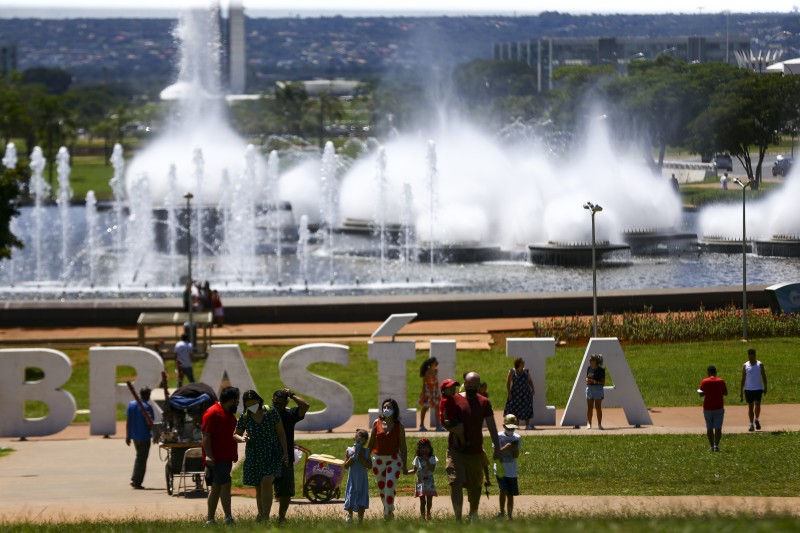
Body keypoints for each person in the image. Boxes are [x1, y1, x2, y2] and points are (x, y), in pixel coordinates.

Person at [445, 371, 501, 522]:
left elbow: (492, 426)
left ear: (479, 386)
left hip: (475, 451)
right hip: (456, 450)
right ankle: (458, 520)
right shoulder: (454, 400)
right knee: (456, 482)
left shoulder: (484, 402)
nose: (472, 388)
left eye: (475, 386)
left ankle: (473, 514)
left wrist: (497, 447)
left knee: (475, 486)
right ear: (465, 384)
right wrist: (453, 429)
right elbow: (445, 421)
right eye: (469, 385)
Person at [234, 390, 288, 524]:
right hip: (254, 455)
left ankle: (266, 516)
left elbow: (281, 432)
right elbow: (235, 434)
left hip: (272, 453)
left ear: (259, 400)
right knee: (259, 487)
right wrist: (242, 438)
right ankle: (261, 515)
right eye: (248, 404)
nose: (252, 406)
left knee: (266, 481)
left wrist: (285, 452)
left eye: (254, 403)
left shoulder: (270, 412)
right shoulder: (245, 416)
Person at [202, 386, 240, 525]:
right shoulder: (213, 413)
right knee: (224, 485)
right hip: (217, 458)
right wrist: (209, 455)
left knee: (217, 487)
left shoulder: (227, 413)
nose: (238, 403)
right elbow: (206, 435)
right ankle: (227, 518)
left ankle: (211, 519)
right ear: (231, 400)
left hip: (225, 458)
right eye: (237, 400)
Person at [271, 388, 309, 523]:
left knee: (286, 491)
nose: (277, 406)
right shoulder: (267, 414)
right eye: (275, 403)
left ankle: (281, 517)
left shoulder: (290, 414)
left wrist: (292, 395)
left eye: (281, 403)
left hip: (285, 458)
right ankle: (263, 516)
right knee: (265, 488)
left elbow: (305, 406)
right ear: (272, 400)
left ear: (286, 403)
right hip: (268, 457)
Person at [367, 398, 407, 519]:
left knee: (389, 485)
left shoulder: (399, 426)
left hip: (394, 460)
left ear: (395, 410)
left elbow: (403, 447)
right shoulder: (376, 423)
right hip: (378, 460)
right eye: (384, 407)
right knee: (382, 489)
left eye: (389, 407)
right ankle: (388, 509)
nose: (386, 409)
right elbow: (371, 443)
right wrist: (366, 458)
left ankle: (387, 514)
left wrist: (404, 465)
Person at [125, 386, 154, 490]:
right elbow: (151, 424)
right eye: (149, 395)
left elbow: (128, 421)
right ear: (146, 395)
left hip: (135, 437)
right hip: (144, 437)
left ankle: (135, 478)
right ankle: (136, 481)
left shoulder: (131, 405)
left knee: (139, 457)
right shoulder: (147, 407)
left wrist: (127, 436)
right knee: (141, 459)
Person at [494, 414, 521, 520]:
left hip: (512, 469)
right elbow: (495, 454)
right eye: (509, 428)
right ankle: (501, 512)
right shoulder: (498, 436)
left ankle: (510, 516)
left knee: (510, 494)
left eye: (513, 428)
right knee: (503, 490)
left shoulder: (517, 438)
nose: (511, 430)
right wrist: (505, 447)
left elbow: (516, 456)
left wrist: (515, 449)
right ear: (504, 426)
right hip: (500, 468)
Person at [343, 429, 371, 523]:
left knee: (361, 498)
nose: (359, 443)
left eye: (362, 441)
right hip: (352, 479)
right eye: (358, 440)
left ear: (365, 442)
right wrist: (352, 457)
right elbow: (345, 466)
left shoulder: (366, 451)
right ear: (354, 439)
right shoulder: (349, 450)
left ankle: (360, 520)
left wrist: (360, 458)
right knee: (351, 495)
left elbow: (369, 466)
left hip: (362, 480)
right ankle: (349, 515)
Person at [699, 365, 728, 452]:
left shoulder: (704, 381)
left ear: (708, 373)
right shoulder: (721, 381)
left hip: (708, 407)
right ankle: (716, 445)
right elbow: (725, 393)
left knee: (709, 428)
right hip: (718, 407)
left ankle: (711, 446)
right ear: (716, 372)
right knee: (718, 428)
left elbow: (701, 394)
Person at [408, 437, 437, 520]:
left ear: (430, 449)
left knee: (429, 500)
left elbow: (432, 469)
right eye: (422, 448)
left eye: (426, 448)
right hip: (421, 482)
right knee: (422, 501)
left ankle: (428, 513)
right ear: (419, 449)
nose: (424, 450)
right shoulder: (417, 458)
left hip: (429, 482)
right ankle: (422, 517)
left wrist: (427, 460)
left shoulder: (432, 458)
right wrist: (406, 472)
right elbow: (414, 470)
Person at [740, 348, 768, 432]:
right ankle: (751, 424)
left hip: (758, 388)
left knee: (757, 405)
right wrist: (741, 390)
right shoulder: (745, 365)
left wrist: (765, 386)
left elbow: (763, 376)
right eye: (749, 357)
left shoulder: (760, 364)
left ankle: (757, 419)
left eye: (752, 357)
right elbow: (743, 378)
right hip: (748, 389)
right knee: (750, 407)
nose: (750, 358)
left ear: (755, 356)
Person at [504, 357, 534, 430]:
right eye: (522, 362)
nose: (523, 363)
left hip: (525, 394)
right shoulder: (512, 372)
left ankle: (527, 425)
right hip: (515, 394)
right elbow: (508, 382)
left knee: (526, 408)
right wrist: (509, 392)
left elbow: (530, 381)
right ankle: (516, 425)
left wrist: (533, 389)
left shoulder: (526, 371)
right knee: (515, 409)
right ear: (518, 364)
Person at [439, 378, 464, 447]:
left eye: (454, 388)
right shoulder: (446, 400)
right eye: (450, 389)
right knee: (460, 429)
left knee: (455, 432)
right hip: (449, 420)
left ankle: (455, 444)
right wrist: (446, 419)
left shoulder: (450, 398)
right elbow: (444, 410)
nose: (453, 390)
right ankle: (463, 443)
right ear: (443, 391)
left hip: (452, 419)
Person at [417, 357, 440, 431]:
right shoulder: (427, 372)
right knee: (425, 408)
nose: (436, 363)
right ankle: (421, 425)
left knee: (437, 408)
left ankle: (438, 426)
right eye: (435, 362)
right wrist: (424, 395)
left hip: (435, 392)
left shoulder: (436, 371)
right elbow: (424, 384)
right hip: (428, 393)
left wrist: (437, 392)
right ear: (432, 363)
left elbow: (436, 382)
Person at [585, 354, 606, 429]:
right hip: (589, 388)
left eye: (591, 359)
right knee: (589, 407)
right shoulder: (589, 368)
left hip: (598, 389)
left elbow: (602, 382)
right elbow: (587, 377)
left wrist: (594, 382)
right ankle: (589, 423)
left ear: (595, 361)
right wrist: (587, 380)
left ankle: (599, 424)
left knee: (598, 407)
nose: (589, 360)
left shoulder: (601, 370)